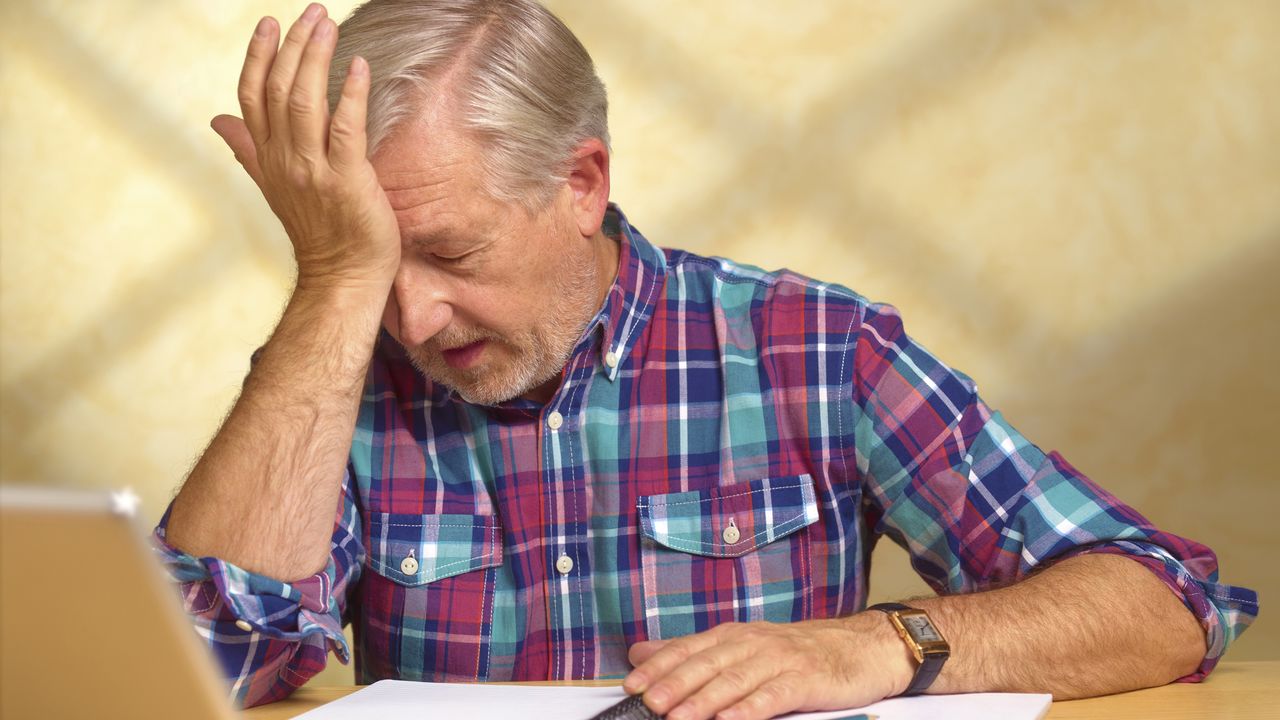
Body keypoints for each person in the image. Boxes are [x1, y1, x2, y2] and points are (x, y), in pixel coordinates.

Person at [157, 2, 1258, 718]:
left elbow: (1166, 602)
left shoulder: (813, 350)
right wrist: (328, 285)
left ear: (579, 184)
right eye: (368, 258)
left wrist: (888, 645)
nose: (408, 313)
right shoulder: (335, 368)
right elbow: (199, 671)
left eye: (446, 251)